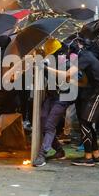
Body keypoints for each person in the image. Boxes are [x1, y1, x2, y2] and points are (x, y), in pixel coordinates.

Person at [46, 37, 99, 167]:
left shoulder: (85, 57)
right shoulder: (87, 55)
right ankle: (96, 155)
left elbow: (68, 74)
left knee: (85, 122)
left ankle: (88, 157)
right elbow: (83, 81)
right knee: (87, 123)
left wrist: (47, 68)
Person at [33, 39, 73, 167]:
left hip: (62, 98)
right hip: (51, 97)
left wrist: (46, 68)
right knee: (44, 122)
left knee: (49, 126)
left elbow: (66, 76)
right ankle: (59, 150)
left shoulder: (67, 64)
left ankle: (42, 155)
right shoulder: (50, 63)